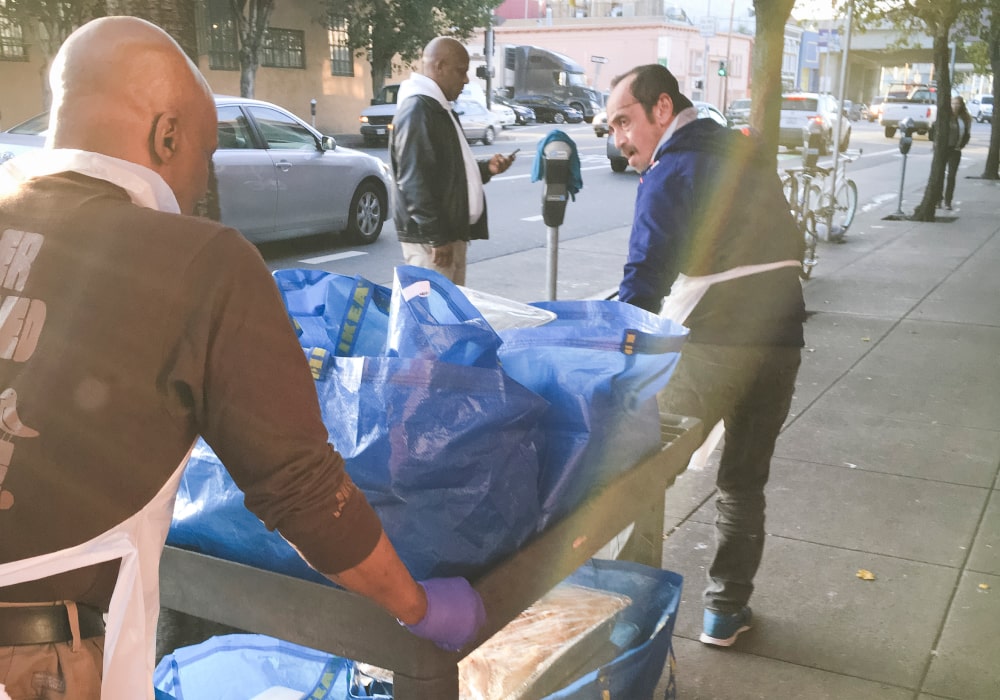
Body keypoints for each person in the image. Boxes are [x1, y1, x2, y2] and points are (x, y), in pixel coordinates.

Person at [0, 16, 484, 698]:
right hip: (41, 662)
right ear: (166, 135)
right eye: (206, 156)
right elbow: (305, 492)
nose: (203, 182)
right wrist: (420, 608)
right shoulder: (202, 263)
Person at [607, 64, 806, 648]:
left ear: (662, 109)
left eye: (624, 120)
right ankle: (725, 611)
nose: (618, 137)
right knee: (744, 481)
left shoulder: (673, 170)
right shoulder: (745, 156)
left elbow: (644, 282)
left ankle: (632, 618)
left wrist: (617, 357)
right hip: (782, 339)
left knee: (638, 472)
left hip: (717, 342)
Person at [390, 37, 515, 285]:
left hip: (446, 236)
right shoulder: (419, 110)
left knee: (449, 316)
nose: (466, 79)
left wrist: (485, 169)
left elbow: (447, 172)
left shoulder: (437, 108)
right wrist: (437, 238)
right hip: (434, 243)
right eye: (461, 71)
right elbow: (414, 181)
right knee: (436, 319)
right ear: (439, 66)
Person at [942, 95, 972, 210]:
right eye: (953, 103)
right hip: (944, 149)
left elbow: (967, 134)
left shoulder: (964, 119)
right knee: (939, 174)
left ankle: (947, 200)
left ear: (961, 105)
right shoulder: (946, 116)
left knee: (951, 176)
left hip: (956, 150)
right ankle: (938, 198)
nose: (955, 106)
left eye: (957, 103)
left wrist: (961, 145)